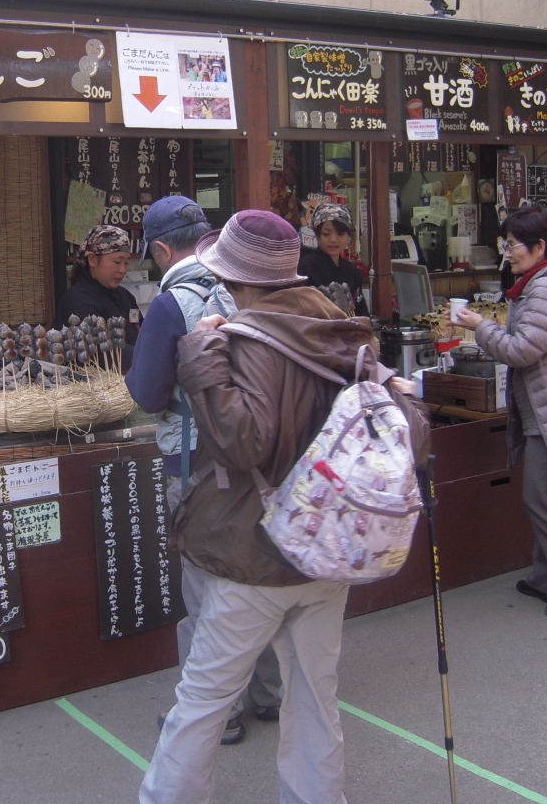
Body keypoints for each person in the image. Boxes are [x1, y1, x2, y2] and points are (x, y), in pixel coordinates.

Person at [139, 210, 396, 804]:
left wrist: (201, 357)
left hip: (257, 550)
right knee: (315, 698)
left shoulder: (250, 338)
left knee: (203, 699)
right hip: (326, 542)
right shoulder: (340, 327)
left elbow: (242, 443)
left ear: (236, 278)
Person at [125, 197, 282, 746]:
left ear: (160, 250)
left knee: (206, 585)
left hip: (196, 461)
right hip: (258, 454)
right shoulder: (250, 287)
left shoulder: (172, 304)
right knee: (256, 573)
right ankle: (269, 693)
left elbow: (149, 393)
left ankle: (217, 712)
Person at [454, 204, 547, 617]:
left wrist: (481, 327)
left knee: (540, 495)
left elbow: (522, 350)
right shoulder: (540, 282)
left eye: (512, 245)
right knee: (544, 493)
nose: (508, 254)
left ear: (539, 247)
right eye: (505, 245)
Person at [53, 224, 140, 367]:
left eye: (126, 262)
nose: (123, 269)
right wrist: (145, 356)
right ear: (93, 260)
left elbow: (142, 332)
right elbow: (99, 354)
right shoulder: (78, 300)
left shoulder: (125, 296)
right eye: (117, 262)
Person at [297, 202, 369, 315]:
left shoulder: (352, 271)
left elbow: (361, 312)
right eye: (326, 234)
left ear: (348, 236)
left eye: (340, 234)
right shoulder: (305, 267)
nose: (333, 240)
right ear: (317, 235)